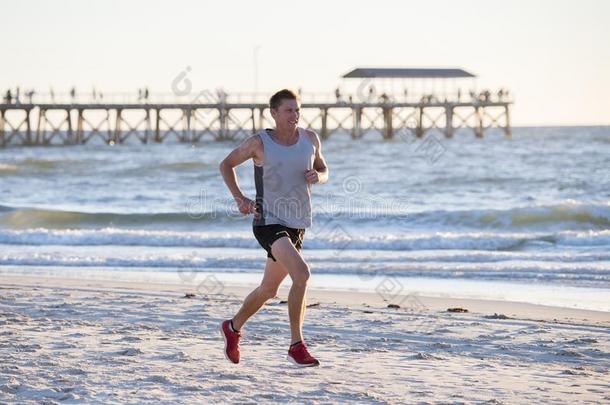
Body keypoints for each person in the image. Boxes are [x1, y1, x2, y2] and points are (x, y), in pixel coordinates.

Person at [218, 89, 329, 367]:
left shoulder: (310, 139)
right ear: (274, 113)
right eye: (289, 110)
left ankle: (232, 328)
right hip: (267, 220)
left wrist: (320, 176)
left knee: (268, 290)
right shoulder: (259, 143)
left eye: (298, 110)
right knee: (302, 274)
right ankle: (296, 345)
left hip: (297, 223)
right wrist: (240, 198)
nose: (295, 115)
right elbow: (226, 164)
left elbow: (324, 169)